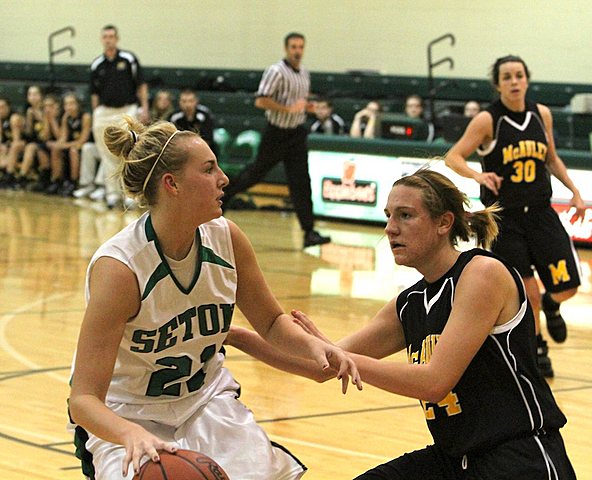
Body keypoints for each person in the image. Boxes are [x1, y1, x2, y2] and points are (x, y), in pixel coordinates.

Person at [227, 169, 576, 479]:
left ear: (444, 223)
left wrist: (338, 356)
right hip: (455, 459)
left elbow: (434, 382)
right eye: (389, 216)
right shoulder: (409, 304)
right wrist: (233, 335)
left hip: (519, 457)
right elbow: (317, 366)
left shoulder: (481, 273)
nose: (390, 228)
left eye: (406, 216)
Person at [66, 117, 360, 479]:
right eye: (208, 169)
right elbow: (82, 400)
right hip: (125, 416)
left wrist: (311, 347)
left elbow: (269, 322)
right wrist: (131, 434)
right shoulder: (121, 269)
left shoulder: (227, 238)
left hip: (204, 402)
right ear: (171, 184)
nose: (224, 178)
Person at [444, 55, 586, 378]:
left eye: (519, 75)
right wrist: (477, 176)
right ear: (498, 84)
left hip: (540, 212)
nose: (514, 81)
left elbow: (551, 158)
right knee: (528, 291)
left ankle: (553, 305)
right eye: (506, 77)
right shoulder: (487, 120)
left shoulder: (542, 114)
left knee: (568, 286)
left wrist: (575, 192)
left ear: (527, 79)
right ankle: (537, 348)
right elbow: (453, 156)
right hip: (504, 218)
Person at [222, 32, 330, 248]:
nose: (297, 51)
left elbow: (297, 103)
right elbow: (261, 101)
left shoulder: (304, 73)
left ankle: (308, 231)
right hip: (276, 133)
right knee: (254, 174)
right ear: (286, 49)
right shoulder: (276, 71)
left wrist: (306, 108)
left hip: (296, 133)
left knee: (301, 182)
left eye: (300, 47)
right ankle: (222, 198)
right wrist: (288, 109)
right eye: (293, 47)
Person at [90, 24, 148, 209]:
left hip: (127, 110)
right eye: (105, 36)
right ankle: (112, 194)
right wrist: (96, 113)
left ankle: (130, 194)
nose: (108, 39)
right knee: (106, 154)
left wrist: (144, 107)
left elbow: (141, 85)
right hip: (104, 112)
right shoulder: (97, 64)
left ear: (117, 38)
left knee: (128, 150)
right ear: (102, 39)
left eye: (111, 36)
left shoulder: (129, 59)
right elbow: (94, 94)